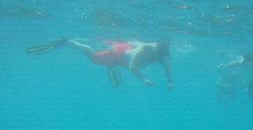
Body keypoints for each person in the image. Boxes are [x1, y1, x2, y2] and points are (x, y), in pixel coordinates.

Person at [26, 39, 173, 89]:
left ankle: (109, 64)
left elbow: (168, 68)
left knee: (105, 61)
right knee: (93, 57)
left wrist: (169, 81)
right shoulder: (144, 49)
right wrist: (144, 79)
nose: (163, 55)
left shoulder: (163, 54)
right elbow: (132, 67)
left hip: (122, 57)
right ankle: (69, 42)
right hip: (119, 54)